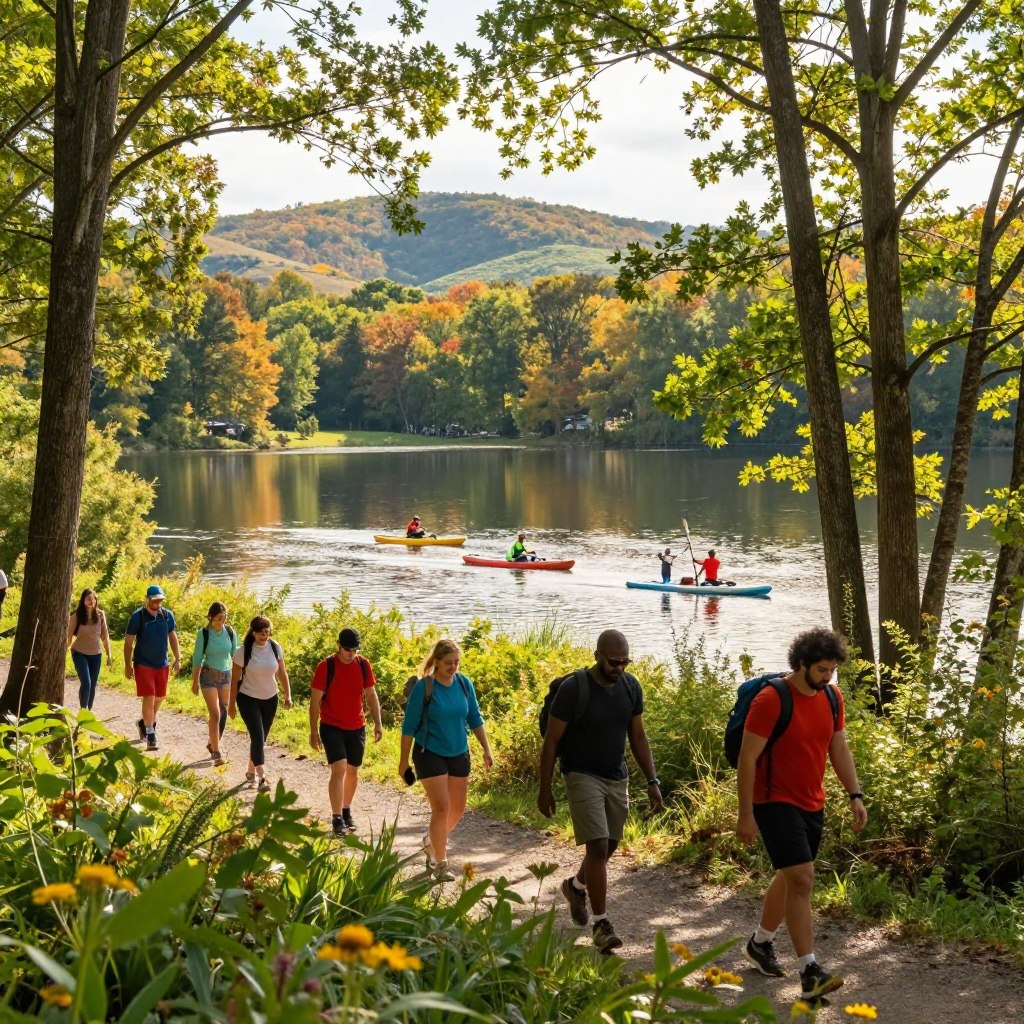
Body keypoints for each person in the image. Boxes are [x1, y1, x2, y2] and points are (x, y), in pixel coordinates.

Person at [736, 627, 867, 1002]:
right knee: (803, 879)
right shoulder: (771, 700)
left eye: (832, 671)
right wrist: (745, 813)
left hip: (813, 800)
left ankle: (760, 944)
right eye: (823, 670)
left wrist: (855, 794)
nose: (828, 677)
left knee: (791, 875)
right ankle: (810, 972)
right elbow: (747, 759)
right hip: (772, 800)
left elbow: (838, 749)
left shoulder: (831, 697)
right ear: (802, 663)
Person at [538, 629, 663, 955]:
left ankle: (575, 887)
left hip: (616, 776)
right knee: (596, 848)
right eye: (613, 662)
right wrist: (545, 788)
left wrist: (652, 781)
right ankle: (602, 924)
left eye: (625, 662)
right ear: (597, 656)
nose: (619, 667)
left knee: (609, 845)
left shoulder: (630, 687)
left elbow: (638, 737)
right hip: (581, 774)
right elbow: (551, 741)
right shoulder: (573, 689)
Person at [398, 639, 493, 882]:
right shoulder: (425, 687)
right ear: (437, 663)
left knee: (458, 809)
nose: (453, 667)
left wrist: (486, 749)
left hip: (458, 751)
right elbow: (408, 726)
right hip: (429, 752)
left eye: (457, 662)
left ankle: (431, 841)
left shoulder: (464, 684)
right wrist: (403, 762)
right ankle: (440, 863)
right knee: (441, 808)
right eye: (448, 662)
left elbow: (474, 717)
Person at [309, 627, 383, 835]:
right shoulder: (326, 666)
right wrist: (313, 731)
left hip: (356, 725)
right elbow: (315, 702)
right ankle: (336, 817)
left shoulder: (363, 665)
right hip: (331, 724)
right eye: (348, 650)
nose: (352, 654)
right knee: (339, 768)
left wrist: (378, 723)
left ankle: (346, 809)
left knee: (353, 771)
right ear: (339, 646)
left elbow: (370, 695)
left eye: (355, 650)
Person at [229, 615, 292, 792]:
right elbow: (234, 680)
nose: (265, 635)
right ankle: (262, 777)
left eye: (267, 631)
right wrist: (231, 704)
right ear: (253, 633)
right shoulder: (243, 652)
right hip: (248, 698)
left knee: (261, 738)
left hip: (270, 699)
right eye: (261, 632)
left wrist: (288, 695)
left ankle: (250, 771)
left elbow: (282, 673)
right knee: (257, 735)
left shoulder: (275, 647)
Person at [124, 584, 180, 752]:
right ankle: (151, 734)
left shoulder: (167, 616)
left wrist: (178, 657)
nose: (158, 602)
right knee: (149, 696)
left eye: (160, 599)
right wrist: (127, 665)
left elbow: (172, 636)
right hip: (143, 663)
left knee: (160, 696)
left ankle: (144, 721)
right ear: (147, 600)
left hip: (161, 664)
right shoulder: (138, 617)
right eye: (155, 599)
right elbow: (128, 643)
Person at [191, 601, 238, 767]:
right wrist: (195, 681)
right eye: (218, 618)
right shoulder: (203, 634)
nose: (222, 621)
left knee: (223, 712)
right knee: (215, 713)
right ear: (211, 617)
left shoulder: (230, 632)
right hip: (208, 675)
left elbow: (235, 656)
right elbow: (197, 659)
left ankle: (212, 742)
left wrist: (241, 678)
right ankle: (217, 752)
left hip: (226, 675)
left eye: (224, 618)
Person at [66, 588, 111, 710]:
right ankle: (83, 709)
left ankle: (88, 711)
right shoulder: (76, 616)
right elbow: (68, 635)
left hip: (96, 654)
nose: (91, 601)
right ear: (83, 600)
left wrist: (109, 655)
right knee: (86, 682)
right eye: (88, 598)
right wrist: (65, 650)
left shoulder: (100, 615)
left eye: (93, 598)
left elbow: (105, 636)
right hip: (79, 653)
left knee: (92, 684)